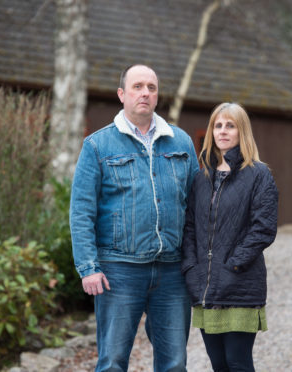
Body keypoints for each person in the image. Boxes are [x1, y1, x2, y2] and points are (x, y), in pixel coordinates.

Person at [70, 64, 199, 372]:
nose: (145, 93)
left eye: (151, 88)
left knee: (175, 363)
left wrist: (197, 262)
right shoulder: (97, 146)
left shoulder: (180, 142)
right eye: (138, 86)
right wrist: (88, 267)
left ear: (157, 96)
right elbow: (81, 211)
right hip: (119, 271)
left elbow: (196, 207)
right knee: (113, 362)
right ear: (121, 95)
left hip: (172, 271)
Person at [181, 102, 278, 371]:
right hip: (205, 289)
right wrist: (191, 268)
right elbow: (189, 228)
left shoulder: (258, 175)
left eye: (230, 125)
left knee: (238, 364)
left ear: (242, 131)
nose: (223, 131)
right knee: (219, 365)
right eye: (218, 125)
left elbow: (263, 229)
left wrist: (233, 264)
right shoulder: (200, 177)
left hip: (239, 286)